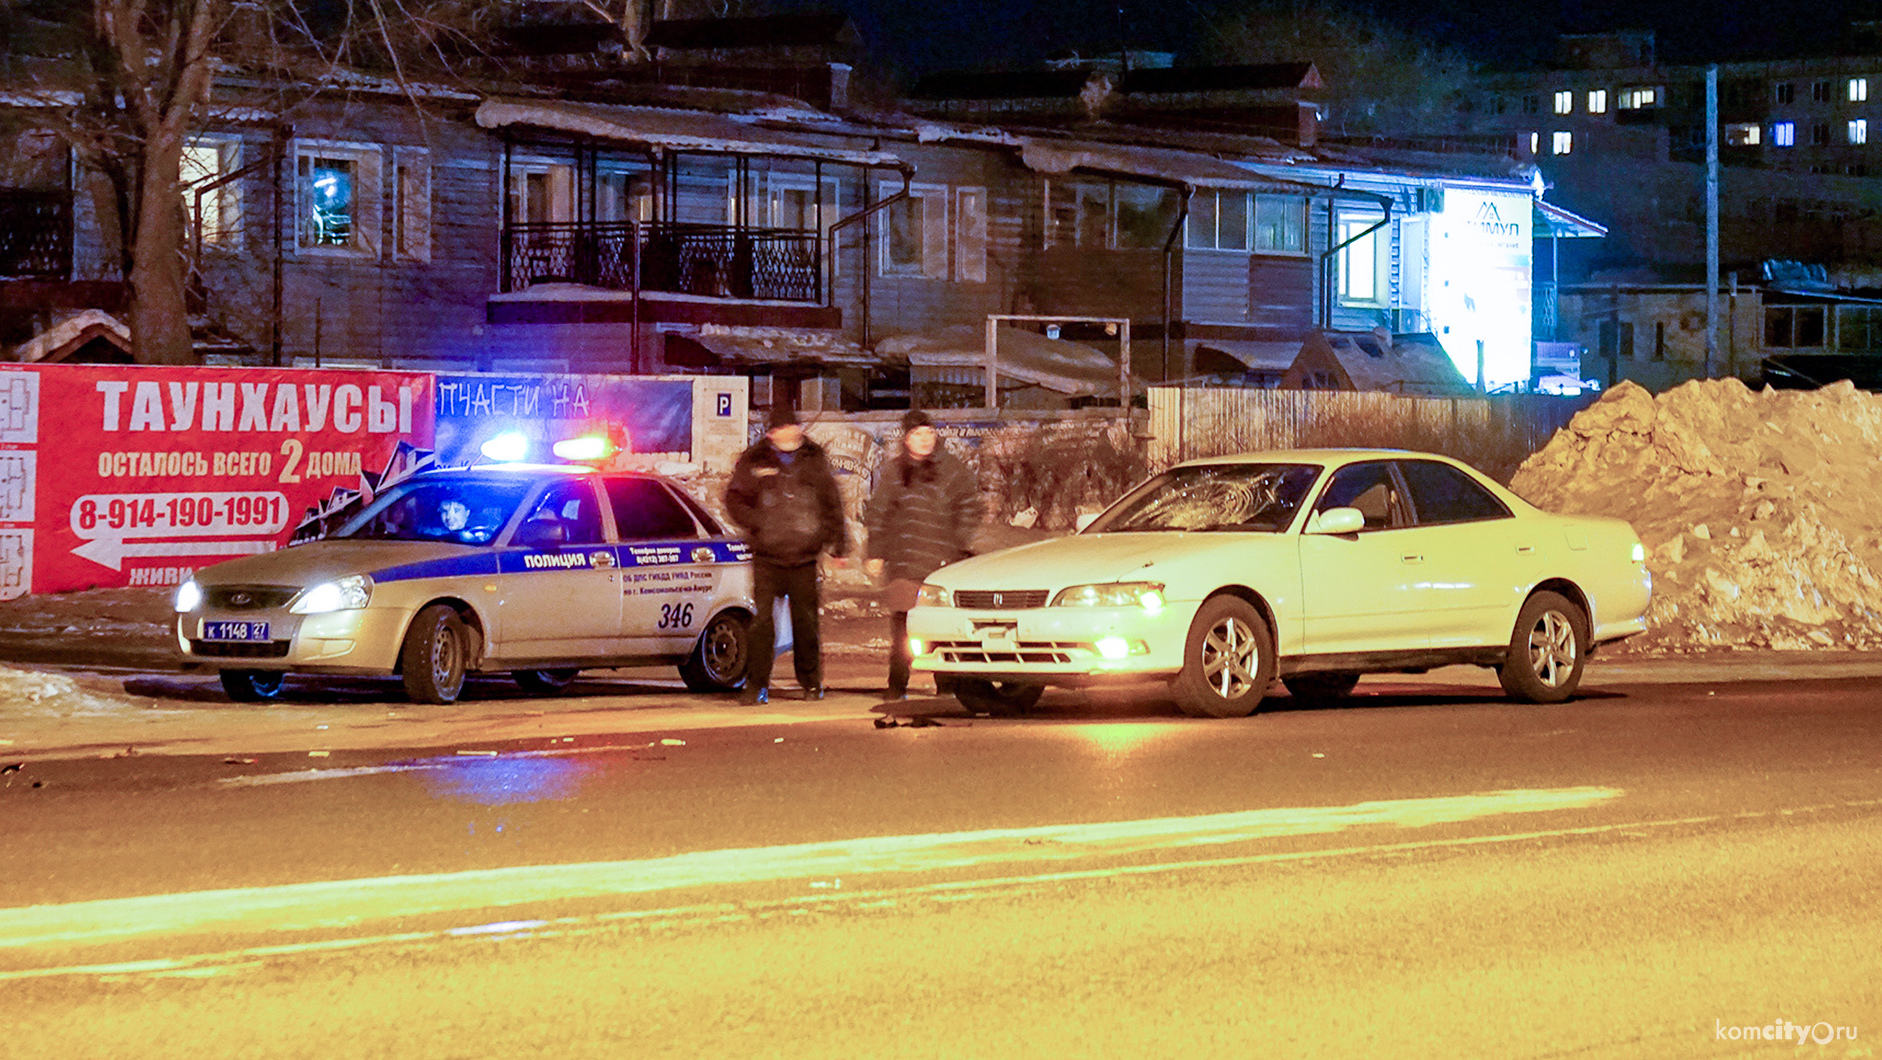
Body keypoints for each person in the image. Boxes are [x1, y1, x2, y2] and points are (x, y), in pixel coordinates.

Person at [724, 405, 850, 704]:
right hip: (767, 556)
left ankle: (811, 683)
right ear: (771, 433)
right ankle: (756, 685)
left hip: (804, 556)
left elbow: (832, 502)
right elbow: (734, 498)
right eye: (783, 428)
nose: (791, 432)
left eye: (794, 427)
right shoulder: (755, 460)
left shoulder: (814, 460)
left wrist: (838, 544)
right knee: (762, 624)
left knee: (806, 624)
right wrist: (757, 523)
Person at [864, 409, 982, 700]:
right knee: (903, 630)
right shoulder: (893, 471)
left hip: (941, 565)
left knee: (941, 630)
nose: (924, 439)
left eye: (929, 433)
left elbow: (970, 506)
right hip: (904, 563)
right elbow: (879, 514)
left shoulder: (952, 469)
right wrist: (876, 552)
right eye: (917, 434)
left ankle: (948, 688)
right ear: (906, 439)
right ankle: (897, 686)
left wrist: (956, 542)